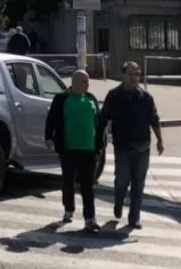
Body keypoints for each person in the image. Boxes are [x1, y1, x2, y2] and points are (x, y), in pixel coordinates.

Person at [97, 61, 164, 229]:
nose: (134, 78)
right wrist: (99, 141)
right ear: (123, 75)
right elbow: (103, 118)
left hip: (143, 145)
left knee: (138, 183)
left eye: (137, 74)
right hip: (123, 147)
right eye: (131, 74)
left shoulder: (146, 97)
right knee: (122, 181)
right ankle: (118, 202)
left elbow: (154, 119)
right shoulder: (114, 95)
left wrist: (160, 140)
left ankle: (134, 217)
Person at [44, 70, 101, 232]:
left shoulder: (91, 99)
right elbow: (52, 119)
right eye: (84, 81)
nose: (88, 85)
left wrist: (100, 145)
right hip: (69, 149)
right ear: (75, 82)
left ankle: (90, 218)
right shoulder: (62, 99)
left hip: (89, 150)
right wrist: (49, 137)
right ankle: (68, 208)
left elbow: (99, 123)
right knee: (68, 183)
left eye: (88, 81)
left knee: (88, 186)